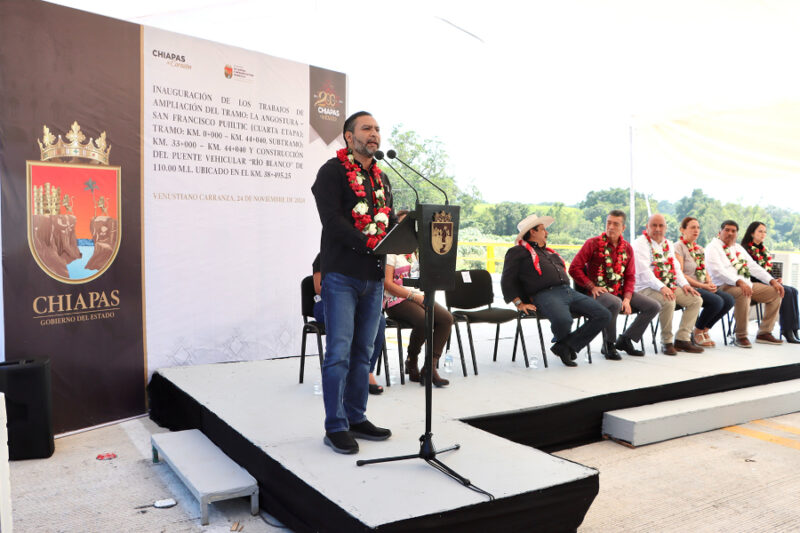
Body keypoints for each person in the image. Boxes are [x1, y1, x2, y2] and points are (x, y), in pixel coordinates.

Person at [311, 111, 395, 454]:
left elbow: (388, 222)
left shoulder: (382, 178)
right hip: (342, 275)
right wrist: (369, 243)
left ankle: (356, 417)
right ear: (349, 136)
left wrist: (398, 236)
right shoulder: (332, 172)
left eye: (377, 129)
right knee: (339, 354)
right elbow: (332, 221)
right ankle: (335, 426)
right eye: (366, 128)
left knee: (364, 353)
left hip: (373, 278)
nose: (374, 134)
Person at [501, 214, 610, 367]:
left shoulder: (548, 252)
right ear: (532, 232)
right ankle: (566, 346)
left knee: (603, 314)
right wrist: (519, 303)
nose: (547, 232)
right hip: (545, 294)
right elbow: (507, 280)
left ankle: (566, 346)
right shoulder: (518, 251)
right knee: (564, 320)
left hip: (568, 291)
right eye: (543, 229)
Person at [569, 209, 660, 360]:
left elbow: (630, 277)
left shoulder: (627, 248)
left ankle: (626, 339)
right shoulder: (592, 243)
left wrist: (627, 299)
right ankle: (608, 344)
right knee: (615, 302)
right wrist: (591, 286)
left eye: (616, 224)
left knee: (653, 306)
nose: (611, 227)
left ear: (623, 228)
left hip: (619, 291)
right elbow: (574, 268)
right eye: (609, 223)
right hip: (596, 293)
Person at [312, 253, 387, 394]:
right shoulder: (324, 256)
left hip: (354, 302)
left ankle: (367, 372)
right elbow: (319, 288)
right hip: (326, 303)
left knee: (380, 321)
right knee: (347, 321)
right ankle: (343, 374)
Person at [384, 237, 454, 387]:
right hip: (395, 300)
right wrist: (413, 296)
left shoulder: (414, 252)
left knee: (446, 319)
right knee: (424, 320)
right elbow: (387, 284)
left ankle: (430, 367)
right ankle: (412, 360)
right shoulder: (390, 252)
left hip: (418, 296)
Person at [632, 214, 704, 355]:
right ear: (647, 227)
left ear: (665, 228)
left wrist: (685, 285)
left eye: (661, 226)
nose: (658, 229)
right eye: (654, 225)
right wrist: (662, 287)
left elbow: (675, 268)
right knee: (668, 300)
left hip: (666, 285)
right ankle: (667, 342)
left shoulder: (667, 244)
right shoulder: (639, 244)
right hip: (644, 288)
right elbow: (645, 272)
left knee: (696, 300)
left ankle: (682, 339)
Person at [705, 220, 783, 348]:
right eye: (727, 230)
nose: (730, 233)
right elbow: (718, 271)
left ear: (737, 234)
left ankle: (764, 333)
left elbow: (753, 267)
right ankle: (741, 336)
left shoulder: (738, 248)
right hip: (722, 286)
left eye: (733, 231)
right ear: (720, 232)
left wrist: (772, 281)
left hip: (746, 284)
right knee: (743, 292)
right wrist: (739, 282)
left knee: (776, 292)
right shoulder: (712, 247)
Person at [674, 217, 735, 347]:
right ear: (682, 230)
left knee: (729, 300)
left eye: (698, 227)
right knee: (716, 301)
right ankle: (697, 331)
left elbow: (705, 270)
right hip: (687, 287)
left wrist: (709, 283)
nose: (696, 230)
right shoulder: (678, 247)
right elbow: (681, 273)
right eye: (692, 227)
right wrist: (703, 286)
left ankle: (704, 330)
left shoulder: (700, 249)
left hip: (702, 285)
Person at [741, 221, 800, 344]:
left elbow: (766, 270)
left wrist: (774, 279)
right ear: (752, 233)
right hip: (753, 283)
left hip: (766, 282)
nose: (763, 234)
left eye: (765, 232)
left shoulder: (763, 250)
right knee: (786, 292)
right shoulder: (745, 249)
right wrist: (770, 282)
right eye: (760, 231)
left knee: (793, 290)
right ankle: (786, 330)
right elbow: (751, 272)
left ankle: (794, 329)